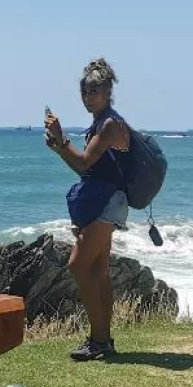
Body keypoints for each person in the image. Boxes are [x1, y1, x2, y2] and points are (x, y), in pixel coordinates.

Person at [43, 57, 131, 361]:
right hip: (108, 199)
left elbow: (84, 162)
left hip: (108, 202)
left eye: (94, 91)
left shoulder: (107, 125)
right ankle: (103, 341)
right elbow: (88, 171)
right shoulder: (102, 123)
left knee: (78, 266)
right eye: (85, 92)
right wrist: (59, 147)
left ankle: (98, 340)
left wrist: (61, 137)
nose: (88, 97)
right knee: (99, 270)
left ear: (107, 93)